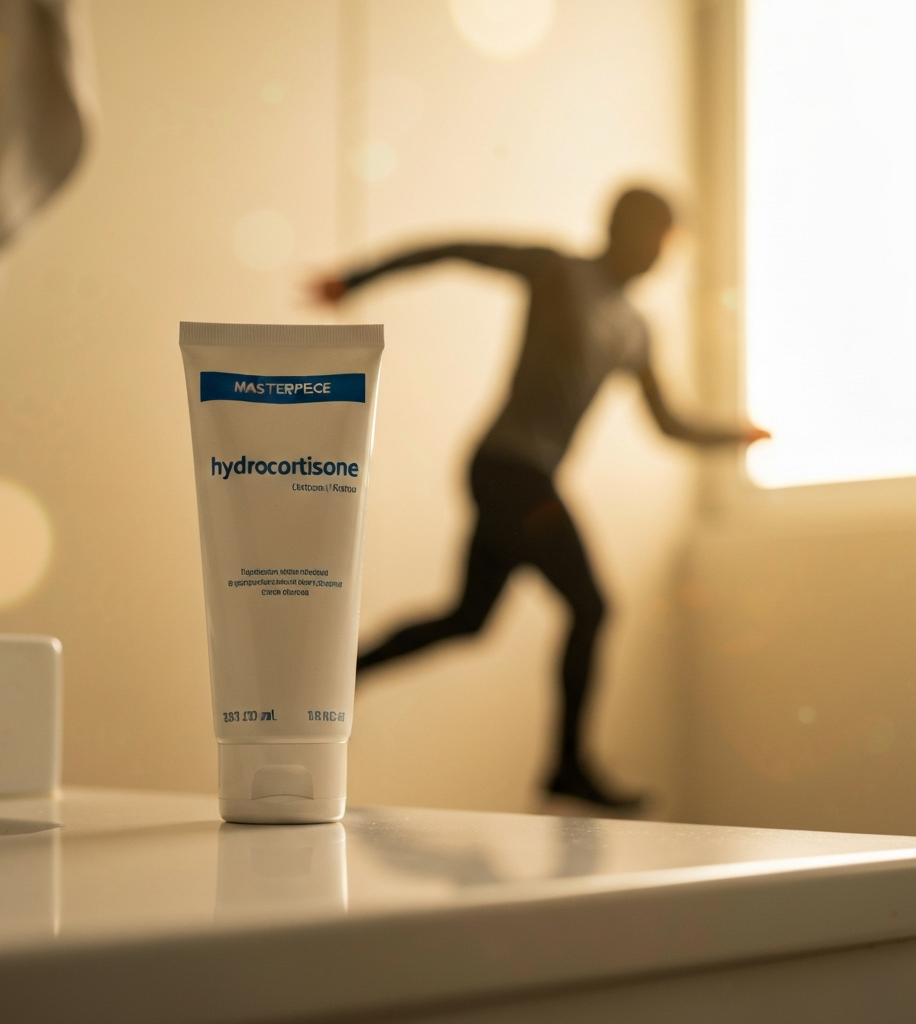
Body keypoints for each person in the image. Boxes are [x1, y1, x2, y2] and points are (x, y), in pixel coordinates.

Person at [313, 189, 769, 808]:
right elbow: (456, 250)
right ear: (629, 232)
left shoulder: (635, 330)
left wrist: (734, 435)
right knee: (592, 605)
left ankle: (330, 679)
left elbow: (669, 422)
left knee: (468, 619)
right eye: (663, 240)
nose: (665, 256)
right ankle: (567, 767)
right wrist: (355, 278)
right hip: (508, 470)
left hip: (523, 476)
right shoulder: (559, 270)